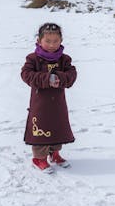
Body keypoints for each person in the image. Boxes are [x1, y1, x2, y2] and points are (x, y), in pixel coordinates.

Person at [21, 23, 77, 173]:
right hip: (40, 104)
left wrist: (60, 78)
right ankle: (39, 158)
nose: (52, 45)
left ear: (61, 40)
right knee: (41, 128)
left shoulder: (64, 59)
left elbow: (72, 74)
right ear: (39, 41)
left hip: (58, 103)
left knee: (57, 126)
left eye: (56, 41)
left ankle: (54, 153)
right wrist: (47, 78)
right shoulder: (33, 59)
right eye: (48, 41)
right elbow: (26, 75)